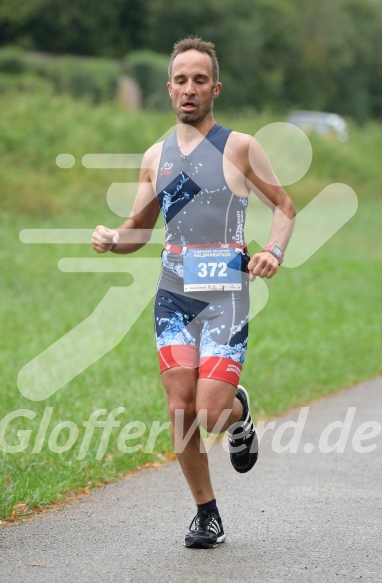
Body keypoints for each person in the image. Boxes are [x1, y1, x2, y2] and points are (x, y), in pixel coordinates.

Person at [92, 36, 296, 549]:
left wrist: (273, 250)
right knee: (181, 409)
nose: (189, 89)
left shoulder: (240, 147)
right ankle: (207, 512)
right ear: (168, 88)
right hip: (173, 296)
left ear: (215, 88)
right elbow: (139, 230)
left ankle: (238, 413)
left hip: (226, 294)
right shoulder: (154, 157)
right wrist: (113, 240)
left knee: (210, 411)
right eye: (180, 80)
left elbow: (285, 208)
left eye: (199, 80)